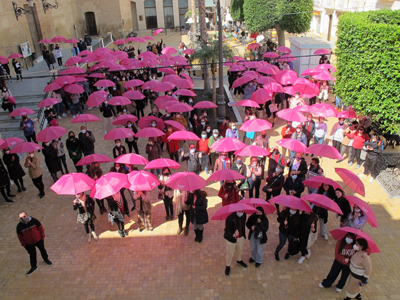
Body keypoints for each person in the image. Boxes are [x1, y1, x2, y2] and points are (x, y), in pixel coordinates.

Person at [16, 212, 52, 276]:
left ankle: (46, 259)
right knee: (32, 255)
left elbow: (41, 229)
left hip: (38, 240)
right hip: (28, 243)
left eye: (24, 216)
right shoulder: (19, 226)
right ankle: (34, 266)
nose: (23, 218)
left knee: (42, 250)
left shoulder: (34, 221)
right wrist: (24, 244)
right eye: (21, 218)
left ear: (27, 215)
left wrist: (42, 237)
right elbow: (20, 237)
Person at [224, 210, 248, 276]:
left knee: (240, 250)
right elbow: (226, 232)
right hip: (231, 239)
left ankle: (239, 260)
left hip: (240, 237)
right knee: (230, 254)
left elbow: (243, 225)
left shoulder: (244, 215)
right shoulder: (230, 218)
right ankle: (228, 266)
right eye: (240, 211)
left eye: (243, 211)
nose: (241, 213)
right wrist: (233, 235)